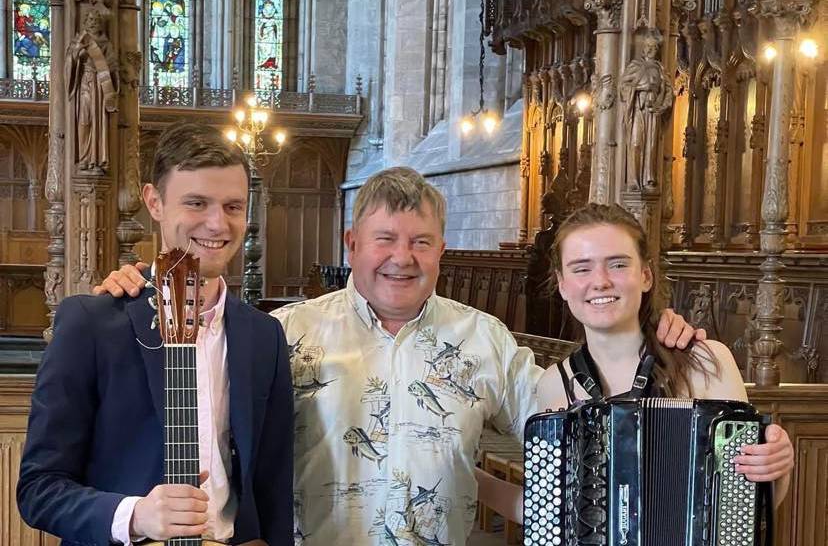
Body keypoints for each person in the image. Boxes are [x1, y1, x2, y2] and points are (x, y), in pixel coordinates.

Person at [95, 168, 703, 545]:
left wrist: (640, 334)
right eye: (384, 239)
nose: (401, 257)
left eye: (421, 242)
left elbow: (574, 429)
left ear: (442, 249)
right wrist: (137, 293)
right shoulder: (282, 333)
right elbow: (202, 423)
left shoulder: (486, 340)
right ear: (353, 244)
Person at [17, 122, 294, 545]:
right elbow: (39, 490)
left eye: (234, 206)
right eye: (197, 203)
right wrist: (135, 515)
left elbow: (272, 486)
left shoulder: (264, 336)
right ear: (155, 202)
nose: (218, 224)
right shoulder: (92, 323)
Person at [478, 203, 794, 523]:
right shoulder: (554, 384)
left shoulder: (705, 362)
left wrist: (777, 468)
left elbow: (745, 513)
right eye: (581, 268)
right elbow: (552, 513)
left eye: (617, 264)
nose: (600, 281)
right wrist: (467, 476)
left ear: (645, 275)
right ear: (562, 283)